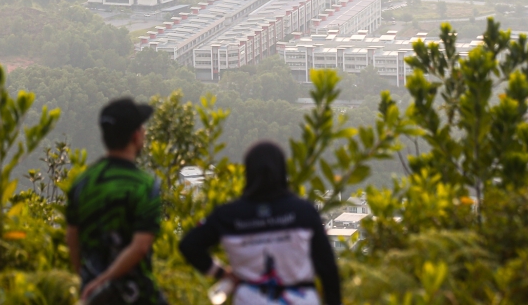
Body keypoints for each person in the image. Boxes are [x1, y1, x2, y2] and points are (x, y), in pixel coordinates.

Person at [178, 141, 342, 305]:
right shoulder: (303, 212)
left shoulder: (228, 215)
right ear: (282, 170)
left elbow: (189, 245)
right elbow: (327, 268)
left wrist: (220, 273)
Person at [65, 97, 166, 304]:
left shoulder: (83, 182)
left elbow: (72, 239)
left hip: (92, 295)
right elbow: (140, 247)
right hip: (137, 296)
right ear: (136, 136)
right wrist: (107, 279)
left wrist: (90, 281)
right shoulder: (145, 185)